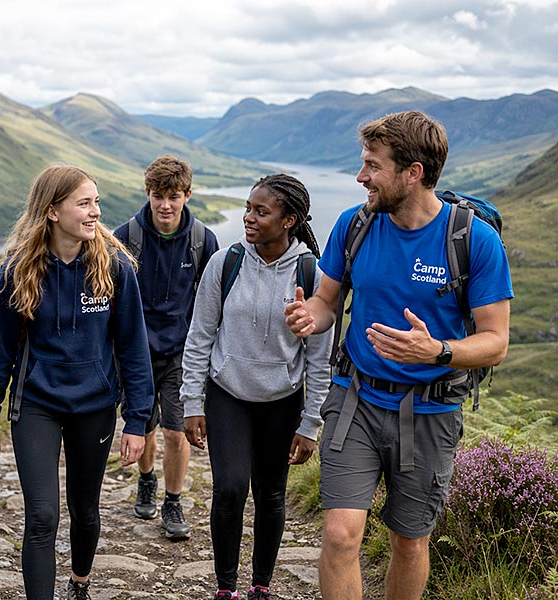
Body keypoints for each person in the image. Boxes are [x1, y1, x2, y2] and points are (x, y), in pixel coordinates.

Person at [285, 111, 512, 600]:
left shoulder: (473, 240)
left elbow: (495, 341)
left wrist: (439, 350)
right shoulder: (356, 224)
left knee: (408, 543)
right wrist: (312, 318)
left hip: (430, 412)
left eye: (372, 165)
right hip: (356, 402)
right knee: (340, 534)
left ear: (414, 172)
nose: (360, 176)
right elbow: (326, 301)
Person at [0, 164, 154, 600]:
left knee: (85, 511)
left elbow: (133, 348)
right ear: (52, 211)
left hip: (94, 406)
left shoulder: (114, 266)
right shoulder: (19, 269)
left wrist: (137, 421)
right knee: (41, 516)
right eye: (85, 203)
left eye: (97, 202)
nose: (95, 212)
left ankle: (80, 581)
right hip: (36, 404)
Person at [180, 174, 333, 600]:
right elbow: (199, 336)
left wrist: (310, 423)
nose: (248, 217)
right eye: (248, 207)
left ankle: (260, 585)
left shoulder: (312, 274)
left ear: (290, 220)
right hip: (227, 394)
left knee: (270, 494)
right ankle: (225, 588)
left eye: (260, 211)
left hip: (282, 401)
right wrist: (192, 401)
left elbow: (320, 358)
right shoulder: (225, 263)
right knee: (229, 489)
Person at [113, 154, 219, 539]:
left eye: (173, 195)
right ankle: (146, 479)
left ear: (187, 195)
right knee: (144, 425)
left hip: (181, 352)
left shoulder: (203, 241)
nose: (165, 204)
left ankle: (172, 502)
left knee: (177, 431)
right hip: (135, 351)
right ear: (148, 193)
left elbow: (213, 300)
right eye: (158, 195)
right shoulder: (125, 238)